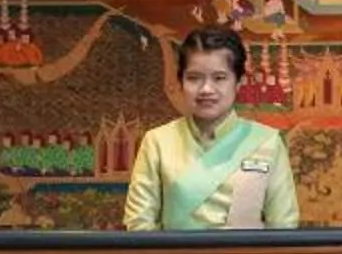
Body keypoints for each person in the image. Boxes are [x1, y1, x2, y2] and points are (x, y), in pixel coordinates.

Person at [122, 25, 300, 231]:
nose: (206, 89)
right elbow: (138, 226)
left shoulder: (267, 141)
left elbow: (284, 228)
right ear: (181, 82)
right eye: (194, 78)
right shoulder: (157, 142)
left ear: (239, 82)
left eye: (219, 78)